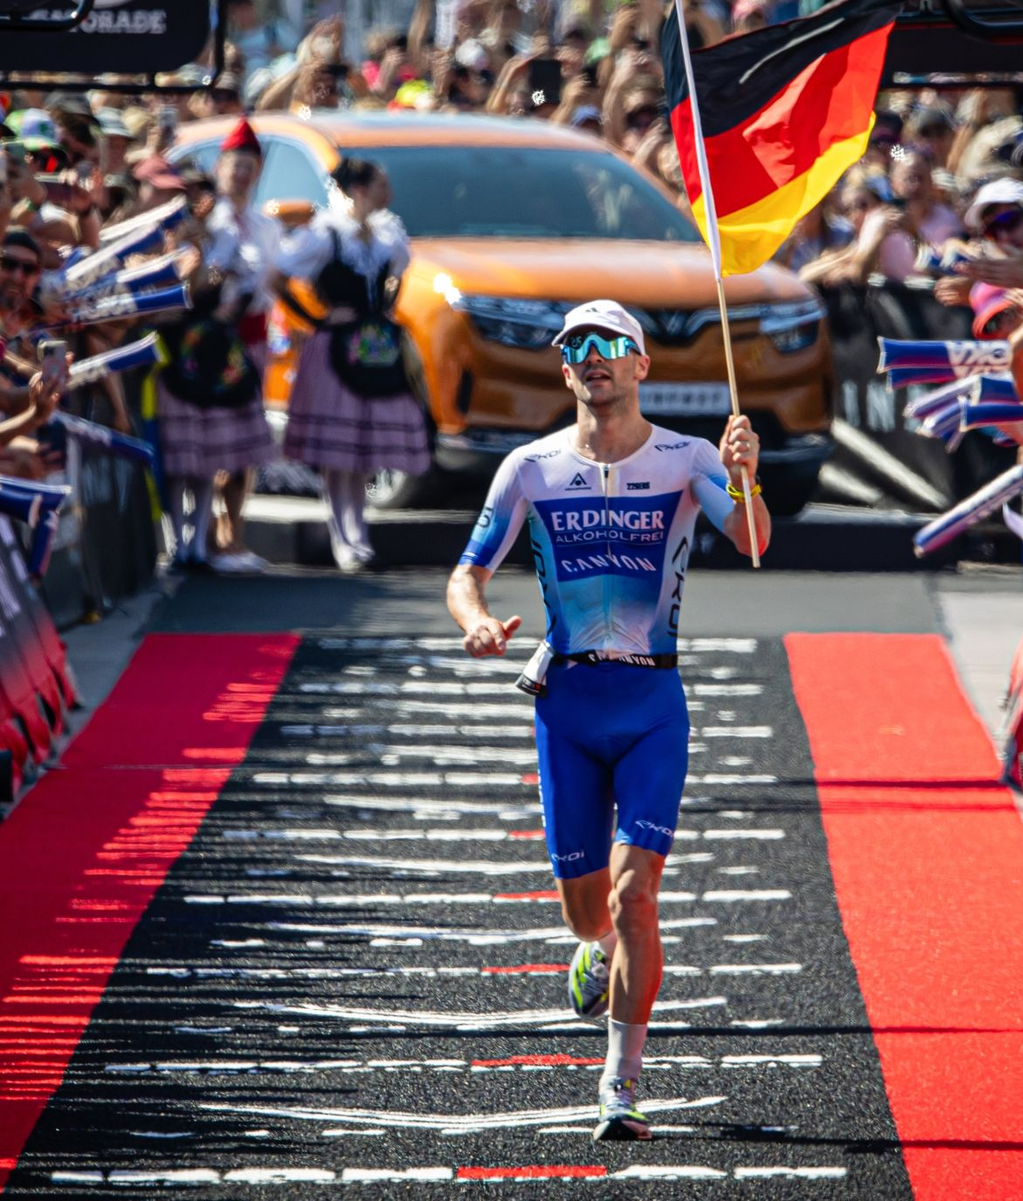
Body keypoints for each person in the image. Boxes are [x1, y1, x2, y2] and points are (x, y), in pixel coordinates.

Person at [445, 299, 769, 1141]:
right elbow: (466, 572)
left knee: (637, 895)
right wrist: (475, 621)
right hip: (568, 707)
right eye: (576, 348)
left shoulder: (686, 457)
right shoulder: (530, 466)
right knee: (588, 913)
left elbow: (754, 540)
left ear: (640, 365)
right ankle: (590, 952)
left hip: (653, 703)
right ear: (564, 370)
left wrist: (747, 475)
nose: (594, 358)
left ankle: (620, 1083)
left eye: (610, 345)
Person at [273, 157, 429, 573]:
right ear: (360, 190)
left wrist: (385, 309)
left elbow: (396, 276)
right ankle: (343, 534)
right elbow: (278, 276)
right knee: (338, 449)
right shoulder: (325, 234)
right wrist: (315, 318)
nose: (388, 193)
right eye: (381, 184)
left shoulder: (385, 234)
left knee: (362, 445)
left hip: (373, 345)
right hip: (336, 347)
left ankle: (356, 530)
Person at [155, 117, 280, 574]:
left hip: (237, 344)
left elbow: (262, 281)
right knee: (190, 450)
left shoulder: (258, 225)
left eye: (250, 165)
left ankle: (227, 540)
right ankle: (195, 541)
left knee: (227, 450)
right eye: (234, 165)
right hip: (193, 344)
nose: (241, 174)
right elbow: (201, 283)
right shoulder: (205, 226)